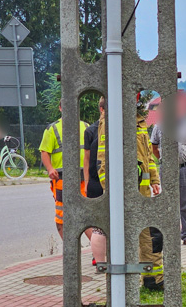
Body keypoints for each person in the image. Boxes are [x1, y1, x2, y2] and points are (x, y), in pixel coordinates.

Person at [98, 96, 163, 289]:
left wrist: (154, 179)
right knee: (120, 236)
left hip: (142, 191)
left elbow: (148, 156)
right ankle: (121, 284)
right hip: (121, 193)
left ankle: (154, 279)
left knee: (150, 234)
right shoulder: (109, 122)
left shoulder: (139, 122)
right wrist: (109, 190)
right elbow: (102, 161)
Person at [38, 87, 90, 240]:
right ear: (61, 108)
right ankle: (92, 253)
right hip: (69, 178)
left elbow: (44, 152)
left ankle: (74, 255)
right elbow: (44, 152)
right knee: (85, 215)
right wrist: (50, 168)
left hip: (69, 178)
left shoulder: (83, 127)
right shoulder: (84, 127)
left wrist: (50, 169)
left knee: (64, 218)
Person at [151, 121, 186, 247]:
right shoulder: (159, 126)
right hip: (167, 169)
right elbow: (154, 147)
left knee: (185, 204)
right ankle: (170, 235)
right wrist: (163, 160)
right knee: (168, 203)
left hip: (184, 168)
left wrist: (185, 157)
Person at [83, 97, 106, 266]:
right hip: (113, 183)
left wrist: (87, 181)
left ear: (100, 109)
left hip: (95, 182)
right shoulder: (120, 127)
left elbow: (87, 158)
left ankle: (99, 262)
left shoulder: (90, 130)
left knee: (98, 226)